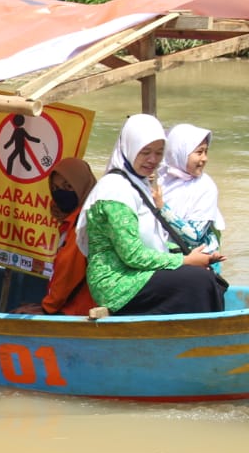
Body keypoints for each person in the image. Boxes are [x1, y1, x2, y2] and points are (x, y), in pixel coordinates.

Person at [75, 114, 226, 316]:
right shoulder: (115, 191)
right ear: (130, 148)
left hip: (137, 273)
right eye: (145, 152)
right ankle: (200, 340)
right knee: (199, 280)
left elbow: (152, 243)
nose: (153, 160)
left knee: (205, 276)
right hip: (117, 282)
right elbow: (133, 255)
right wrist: (185, 261)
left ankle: (203, 338)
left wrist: (196, 257)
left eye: (159, 153)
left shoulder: (138, 183)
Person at [14, 158, 98, 316]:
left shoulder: (82, 225)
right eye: (55, 188)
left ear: (82, 186)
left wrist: (47, 309)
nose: (60, 193)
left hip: (78, 313)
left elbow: (68, 273)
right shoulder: (81, 216)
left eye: (68, 186)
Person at [159, 123, 224, 258]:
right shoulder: (158, 179)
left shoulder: (205, 186)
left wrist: (162, 208)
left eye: (205, 152)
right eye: (199, 152)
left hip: (199, 258)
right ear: (178, 152)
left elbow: (194, 236)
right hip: (162, 255)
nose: (205, 159)